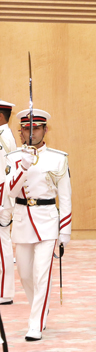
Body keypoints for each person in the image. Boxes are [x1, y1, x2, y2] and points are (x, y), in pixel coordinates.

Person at [6, 109, 71, 341]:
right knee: (25, 274)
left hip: (47, 221)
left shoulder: (58, 158)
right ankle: (41, 306)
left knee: (42, 274)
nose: (31, 133)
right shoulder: (12, 158)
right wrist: (22, 167)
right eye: (26, 129)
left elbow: (64, 197)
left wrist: (65, 230)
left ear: (45, 130)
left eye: (36, 128)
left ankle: (36, 323)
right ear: (21, 131)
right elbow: (9, 192)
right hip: (23, 219)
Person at [0, 100, 17, 305]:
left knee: (3, 244)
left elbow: (4, 175)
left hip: (2, 198)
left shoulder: (3, 137)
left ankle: (5, 292)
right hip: (3, 198)